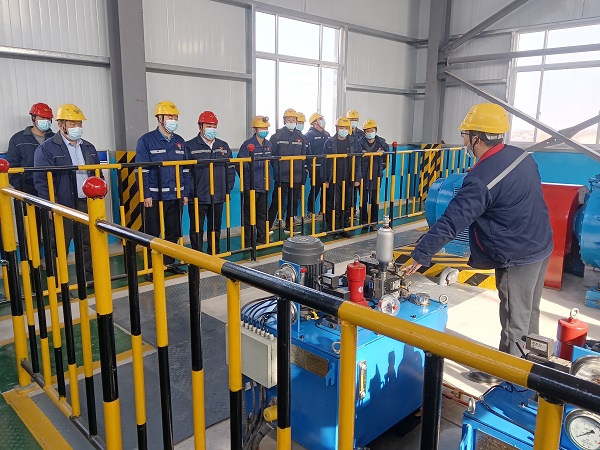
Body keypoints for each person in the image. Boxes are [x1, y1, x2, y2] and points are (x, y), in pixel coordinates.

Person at [403, 103, 553, 383]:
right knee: (529, 311)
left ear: (476, 138)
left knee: (514, 318)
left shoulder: (482, 180)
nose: (463, 140)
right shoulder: (522, 157)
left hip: (517, 255)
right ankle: (529, 364)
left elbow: (452, 220)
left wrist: (421, 253)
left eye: (465, 134)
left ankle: (510, 380)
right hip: (541, 243)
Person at [33, 104, 100, 283]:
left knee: (87, 243)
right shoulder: (47, 149)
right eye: (72, 124)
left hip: (86, 203)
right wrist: (50, 204)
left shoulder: (88, 147)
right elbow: (41, 180)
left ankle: (88, 278)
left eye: (79, 123)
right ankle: (58, 283)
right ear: (60, 124)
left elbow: (96, 174)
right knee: (59, 245)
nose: (77, 127)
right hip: (62, 205)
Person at [136, 101, 190, 276]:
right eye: (169, 117)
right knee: (152, 234)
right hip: (154, 197)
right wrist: (146, 194)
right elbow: (141, 170)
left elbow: (186, 170)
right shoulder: (146, 140)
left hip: (175, 196)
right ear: (159, 118)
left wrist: (185, 193)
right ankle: (152, 268)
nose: (173, 120)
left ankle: (169, 264)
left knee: (173, 232)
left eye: (175, 117)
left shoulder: (180, 142)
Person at [187, 110, 236, 255]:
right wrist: (192, 192)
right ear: (200, 126)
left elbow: (231, 170)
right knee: (196, 229)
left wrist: (227, 188)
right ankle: (197, 257)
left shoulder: (223, 146)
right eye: (208, 126)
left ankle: (214, 254)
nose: (212, 129)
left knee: (215, 227)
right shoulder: (190, 146)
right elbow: (186, 172)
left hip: (218, 196)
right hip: (198, 197)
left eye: (214, 126)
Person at [267, 108, 305, 234]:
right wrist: (278, 169)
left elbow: (304, 156)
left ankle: (290, 226)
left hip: (296, 176)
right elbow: (272, 156)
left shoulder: (301, 137)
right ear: (284, 121)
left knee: (293, 202)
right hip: (281, 176)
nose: (291, 121)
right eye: (288, 119)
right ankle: (267, 227)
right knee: (276, 201)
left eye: (293, 119)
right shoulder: (277, 136)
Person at [237, 115, 272, 247]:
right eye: (261, 128)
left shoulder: (269, 145)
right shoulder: (248, 145)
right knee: (249, 215)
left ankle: (261, 239)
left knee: (262, 214)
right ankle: (248, 241)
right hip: (251, 186)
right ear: (255, 129)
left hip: (264, 185)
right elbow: (239, 165)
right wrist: (248, 179)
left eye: (266, 128)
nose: (264, 130)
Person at [323, 117, 361, 235]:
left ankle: (345, 227)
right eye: (341, 127)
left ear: (349, 128)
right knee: (333, 204)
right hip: (334, 178)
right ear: (336, 128)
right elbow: (324, 162)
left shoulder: (354, 142)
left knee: (347, 203)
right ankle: (333, 228)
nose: (343, 130)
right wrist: (325, 179)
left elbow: (358, 161)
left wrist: (357, 177)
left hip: (349, 178)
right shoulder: (329, 142)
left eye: (345, 128)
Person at [8, 103, 55, 196]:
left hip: (53, 188)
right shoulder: (18, 139)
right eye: (42, 118)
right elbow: (11, 168)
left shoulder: (55, 139)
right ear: (33, 118)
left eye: (48, 118)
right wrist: (21, 189)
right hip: (27, 190)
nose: (46, 121)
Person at [358, 119, 388, 231]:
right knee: (363, 199)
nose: (370, 133)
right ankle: (364, 221)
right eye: (367, 131)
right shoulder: (359, 143)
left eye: (372, 130)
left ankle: (373, 222)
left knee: (374, 199)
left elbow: (386, 160)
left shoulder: (382, 144)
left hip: (376, 175)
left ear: (375, 131)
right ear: (364, 132)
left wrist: (379, 169)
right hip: (363, 175)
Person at [305, 113, 330, 220]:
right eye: (320, 119)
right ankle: (310, 211)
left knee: (326, 189)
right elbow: (306, 151)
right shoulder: (309, 135)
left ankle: (323, 211)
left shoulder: (327, 134)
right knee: (315, 189)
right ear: (314, 123)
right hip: (315, 167)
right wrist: (308, 165)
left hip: (326, 168)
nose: (322, 121)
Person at [347, 109, 364, 217]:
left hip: (360, 166)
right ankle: (350, 212)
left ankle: (358, 212)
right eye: (351, 119)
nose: (353, 121)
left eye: (355, 119)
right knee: (350, 192)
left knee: (361, 192)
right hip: (349, 167)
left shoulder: (361, 134)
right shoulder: (345, 133)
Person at [293, 112, 309, 224]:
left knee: (297, 195)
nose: (300, 124)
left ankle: (293, 216)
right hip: (287, 173)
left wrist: (307, 167)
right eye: (298, 122)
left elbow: (308, 153)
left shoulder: (304, 138)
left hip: (301, 172)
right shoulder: (283, 136)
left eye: (302, 122)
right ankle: (280, 218)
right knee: (284, 197)